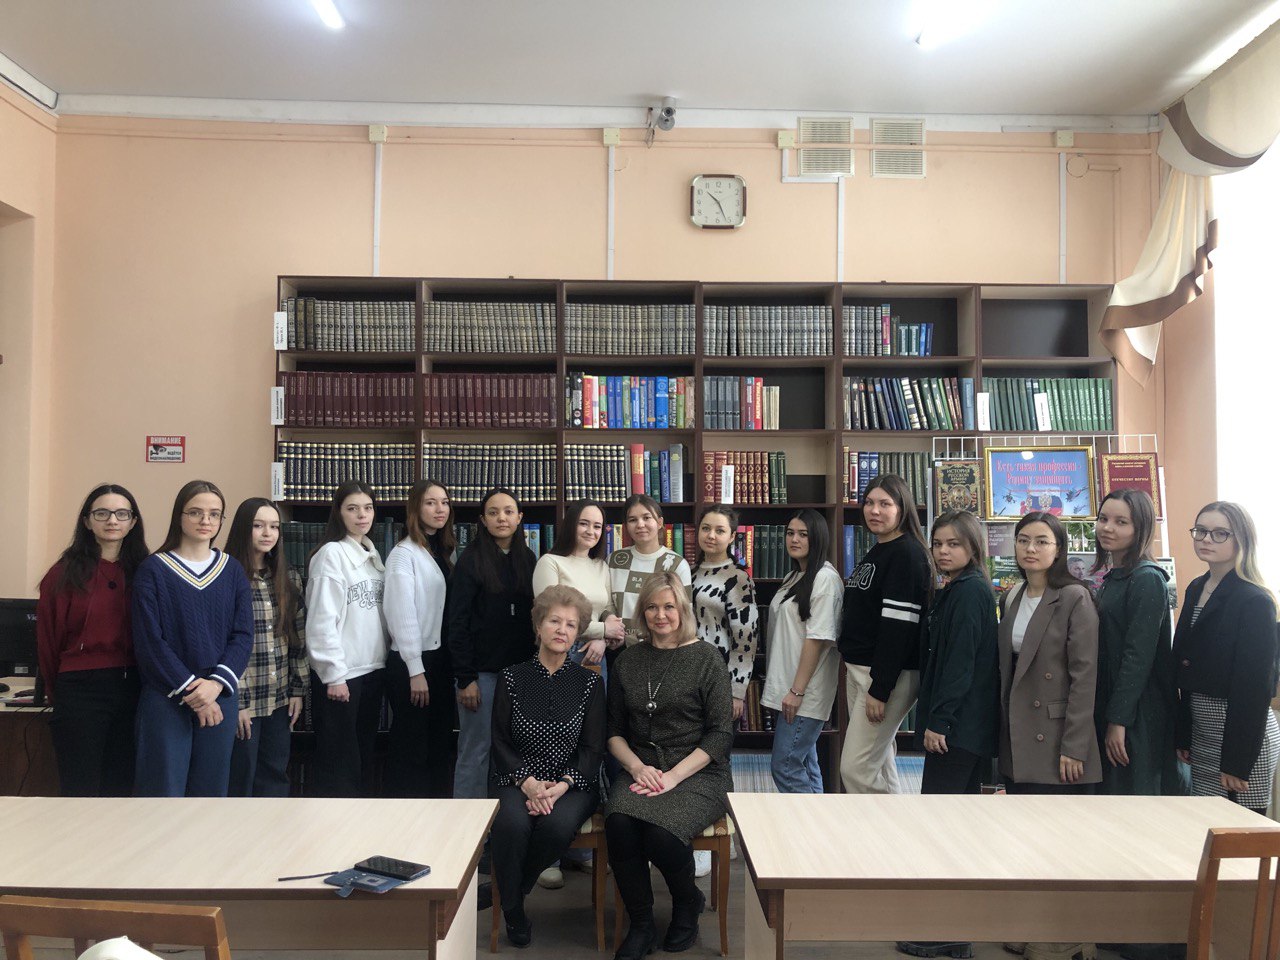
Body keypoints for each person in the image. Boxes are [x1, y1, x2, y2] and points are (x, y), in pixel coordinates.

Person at [606, 572, 733, 959]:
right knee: (619, 823)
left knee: (661, 835)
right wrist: (636, 768)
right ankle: (641, 924)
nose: (660, 615)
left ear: (683, 610)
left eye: (669, 606)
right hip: (642, 768)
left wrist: (674, 776)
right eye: (652, 607)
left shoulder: (707, 658)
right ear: (642, 613)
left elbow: (720, 735)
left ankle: (687, 903)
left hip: (698, 772)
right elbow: (613, 732)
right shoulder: (628, 660)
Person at [478, 584, 606, 948]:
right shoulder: (511, 677)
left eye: (571, 624)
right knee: (512, 824)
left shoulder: (590, 683)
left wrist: (561, 786)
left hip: (572, 782)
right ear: (538, 626)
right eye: (554, 621)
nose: (562, 630)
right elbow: (500, 741)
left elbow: (593, 748)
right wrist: (530, 784)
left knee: (557, 826)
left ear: (578, 633)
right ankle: (515, 914)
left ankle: (508, 893)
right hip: (516, 777)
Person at [898, 510, 997, 960]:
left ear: (973, 547)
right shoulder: (957, 587)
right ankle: (954, 929)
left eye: (953, 544)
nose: (942, 551)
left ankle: (950, 933)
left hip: (958, 729)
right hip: (960, 726)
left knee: (942, 827)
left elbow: (960, 663)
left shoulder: (971, 591)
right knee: (954, 825)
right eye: (937, 543)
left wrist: (939, 721)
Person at [132, 480, 253, 797]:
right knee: (163, 794)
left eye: (214, 514)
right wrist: (192, 691)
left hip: (219, 695)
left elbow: (243, 635)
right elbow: (150, 642)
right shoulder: (153, 569)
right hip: (167, 696)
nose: (205, 520)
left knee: (210, 796)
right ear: (179, 516)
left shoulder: (232, 570)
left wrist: (214, 687)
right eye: (196, 512)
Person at [530, 497, 624, 887]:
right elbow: (552, 616)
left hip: (595, 662)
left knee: (589, 746)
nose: (590, 531)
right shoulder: (550, 563)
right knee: (553, 747)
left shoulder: (602, 566)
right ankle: (548, 852)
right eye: (584, 523)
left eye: (597, 526)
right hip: (558, 659)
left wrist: (603, 634)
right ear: (571, 524)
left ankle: (581, 849)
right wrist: (602, 631)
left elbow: (608, 611)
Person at [37, 484, 148, 797]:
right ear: (86, 521)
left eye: (121, 514)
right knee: (80, 788)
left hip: (133, 687)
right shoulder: (62, 574)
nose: (112, 520)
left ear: (133, 522)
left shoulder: (146, 571)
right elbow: (48, 641)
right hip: (79, 689)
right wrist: (56, 690)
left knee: (122, 788)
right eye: (102, 513)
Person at [1174, 501, 1280, 813]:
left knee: (1239, 831)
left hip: (1241, 738)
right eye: (1201, 531)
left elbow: (1254, 687)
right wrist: (1184, 735)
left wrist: (1237, 761)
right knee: (1203, 824)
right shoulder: (1197, 587)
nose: (1206, 539)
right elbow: (1186, 667)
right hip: (1202, 732)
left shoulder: (1255, 600)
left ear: (1241, 539)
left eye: (1220, 533)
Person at [838, 474, 931, 794]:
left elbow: (899, 628)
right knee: (878, 763)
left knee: (855, 768)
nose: (874, 510)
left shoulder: (907, 554)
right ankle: (895, 822)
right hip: (862, 670)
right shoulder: (880, 549)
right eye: (869, 502)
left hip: (885, 675)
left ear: (902, 508)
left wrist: (880, 688)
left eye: (885, 504)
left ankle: (873, 828)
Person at [999, 512, 1101, 795]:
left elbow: (1084, 677)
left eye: (1042, 542)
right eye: (1023, 540)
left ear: (1058, 550)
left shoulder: (1074, 597)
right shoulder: (1012, 597)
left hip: (1058, 736)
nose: (1030, 549)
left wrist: (1075, 746)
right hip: (1018, 731)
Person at [447, 487, 537, 802]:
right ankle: (468, 826)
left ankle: (506, 821)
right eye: (493, 512)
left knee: (514, 750)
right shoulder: (470, 560)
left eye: (509, 511)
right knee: (476, 750)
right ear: (483, 520)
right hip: (480, 675)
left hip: (521, 674)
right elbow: (457, 622)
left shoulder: (528, 559)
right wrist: (465, 678)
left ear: (519, 517)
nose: (502, 518)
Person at [1093, 488, 1181, 797]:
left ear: (1140, 528)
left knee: (1133, 801)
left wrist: (1118, 721)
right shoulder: (1115, 576)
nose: (1108, 528)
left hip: (1137, 713)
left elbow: (1137, 657)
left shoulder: (1147, 578)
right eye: (1103, 519)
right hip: (1115, 704)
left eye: (1121, 522)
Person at [305, 479, 389, 797]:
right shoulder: (331, 554)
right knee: (338, 766)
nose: (362, 515)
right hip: (342, 677)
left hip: (371, 671)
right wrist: (333, 674)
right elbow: (321, 620)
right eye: (352, 509)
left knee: (361, 759)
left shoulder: (372, 556)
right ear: (338, 513)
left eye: (367, 508)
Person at [224, 498, 308, 797]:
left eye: (274, 527)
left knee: (274, 775)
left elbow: (297, 637)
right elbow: (224, 644)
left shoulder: (288, 577)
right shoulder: (227, 576)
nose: (267, 533)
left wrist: (297, 689)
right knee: (240, 776)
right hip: (243, 698)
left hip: (279, 697)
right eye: (258, 526)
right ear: (242, 529)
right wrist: (237, 701)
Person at [383, 479, 457, 799]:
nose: (440, 509)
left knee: (437, 743)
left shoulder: (440, 550)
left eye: (444, 502)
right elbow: (402, 614)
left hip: (438, 661)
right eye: (430, 502)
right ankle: (406, 816)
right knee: (411, 747)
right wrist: (416, 669)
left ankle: (436, 814)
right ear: (415, 508)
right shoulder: (404, 554)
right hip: (413, 662)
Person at [759, 509, 842, 793]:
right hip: (790, 688)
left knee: (785, 766)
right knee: (805, 763)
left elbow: (817, 639)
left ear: (817, 538)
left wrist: (797, 691)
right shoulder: (794, 576)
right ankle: (816, 819)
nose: (794, 539)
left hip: (805, 692)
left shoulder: (825, 579)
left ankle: (804, 821)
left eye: (803, 534)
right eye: (790, 533)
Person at [690, 503, 760, 722]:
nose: (711, 535)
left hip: (720, 677)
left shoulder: (738, 578)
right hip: (688, 674)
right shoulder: (689, 574)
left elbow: (746, 638)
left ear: (731, 537)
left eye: (719, 530)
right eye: (706, 528)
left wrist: (736, 691)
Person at [607, 494, 692, 647]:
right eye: (632, 520)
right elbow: (607, 605)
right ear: (626, 526)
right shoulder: (614, 560)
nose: (640, 524)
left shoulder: (677, 564)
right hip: (617, 648)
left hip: (661, 648)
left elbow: (686, 615)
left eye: (646, 518)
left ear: (659, 523)